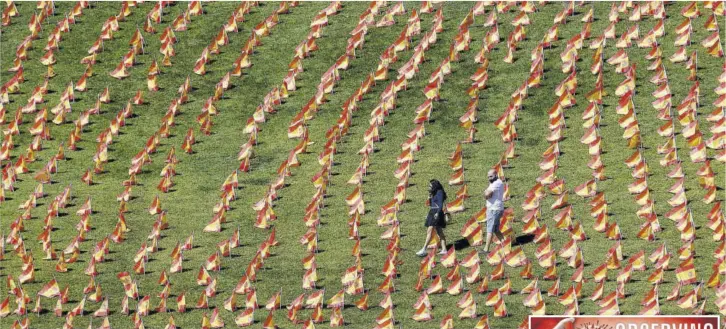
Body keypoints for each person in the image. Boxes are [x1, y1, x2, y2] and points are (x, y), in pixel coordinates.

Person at [416, 179, 448, 256]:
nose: (429, 187)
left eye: (430, 185)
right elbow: (431, 205)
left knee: (429, 231)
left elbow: (440, 204)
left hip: (436, 212)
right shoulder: (433, 192)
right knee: (439, 231)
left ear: (435, 186)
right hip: (432, 212)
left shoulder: (439, 192)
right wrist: (430, 198)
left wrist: (437, 213)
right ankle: (444, 249)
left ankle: (424, 249)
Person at [481, 169, 505, 253]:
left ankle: (486, 249)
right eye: (488, 177)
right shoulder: (496, 182)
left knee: (490, 229)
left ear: (496, 174)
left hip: (493, 209)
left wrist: (485, 193)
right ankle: (505, 245)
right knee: (496, 230)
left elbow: (487, 194)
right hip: (496, 209)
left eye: (491, 176)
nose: (489, 178)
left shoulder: (496, 183)